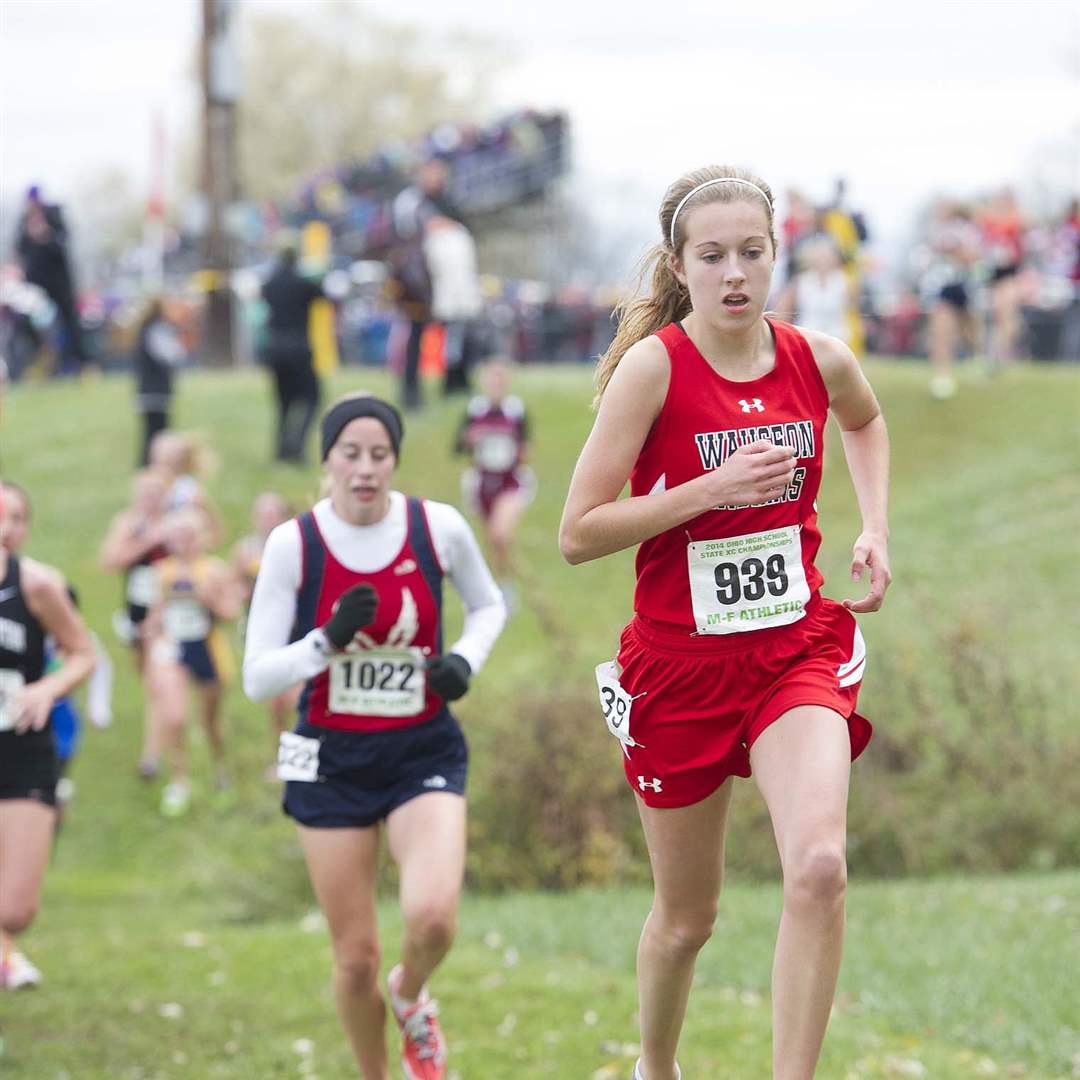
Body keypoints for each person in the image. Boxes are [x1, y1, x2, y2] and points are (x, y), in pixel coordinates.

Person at [559, 166, 891, 1080]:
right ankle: (654, 1066)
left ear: (777, 254)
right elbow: (577, 534)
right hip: (680, 670)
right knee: (685, 920)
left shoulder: (817, 358)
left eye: (753, 252)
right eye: (713, 256)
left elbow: (864, 424)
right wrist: (710, 491)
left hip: (794, 650)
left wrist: (874, 526)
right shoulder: (653, 370)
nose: (735, 273)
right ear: (680, 264)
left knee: (820, 865)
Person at [243, 393, 506, 1080]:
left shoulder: (437, 528)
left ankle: (412, 994)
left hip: (421, 747)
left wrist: (464, 661)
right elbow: (256, 677)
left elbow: (488, 606)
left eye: (379, 454)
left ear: (395, 459)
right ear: (327, 459)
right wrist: (323, 642)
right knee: (354, 956)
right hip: (329, 758)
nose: (365, 468)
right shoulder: (293, 544)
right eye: (350, 454)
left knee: (433, 919)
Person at [0, 481, 96, 989]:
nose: (6, 526)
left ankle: (8, 949)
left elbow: (83, 651)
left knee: (15, 911)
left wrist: (46, 689)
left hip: (23, 751)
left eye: (16, 517)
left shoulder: (36, 584)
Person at [144, 507, 242, 817]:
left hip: (207, 648)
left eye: (189, 535)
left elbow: (231, 612)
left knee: (210, 720)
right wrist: (151, 631)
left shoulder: (214, 569)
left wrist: (209, 598)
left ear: (200, 538)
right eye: (177, 536)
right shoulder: (162, 571)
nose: (183, 542)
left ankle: (219, 769)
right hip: (173, 650)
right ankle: (179, 781)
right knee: (174, 717)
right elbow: (155, 614)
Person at [99, 467, 172, 778]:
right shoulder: (128, 523)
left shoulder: (176, 523)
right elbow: (110, 561)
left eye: (158, 493)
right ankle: (166, 719)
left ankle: (151, 757)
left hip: (165, 616)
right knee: (146, 677)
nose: (152, 499)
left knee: (156, 682)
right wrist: (144, 541)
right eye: (147, 493)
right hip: (134, 613)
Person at [454, 359, 535, 608]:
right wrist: (471, 440)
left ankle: (506, 592)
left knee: (500, 534)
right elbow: (458, 447)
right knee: (491, 540)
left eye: (501, 378)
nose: (496, 384)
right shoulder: (475, 410)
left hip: (510, 482)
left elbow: (526, 446)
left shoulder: (516, 411)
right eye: (492, 378)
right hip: (482, 484)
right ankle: (499, 586)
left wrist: (518, 451)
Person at [231, 491, 298, 776]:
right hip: (263, 632)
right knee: (275, 703)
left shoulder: (295, 545)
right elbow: (233, 587)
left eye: (273, 514)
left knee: (298, 698)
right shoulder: (246, 550)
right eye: (262, 515)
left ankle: (299, 757)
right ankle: (281, 757)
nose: (267, 520)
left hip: (295, 630)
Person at [260, 243, 327, 463]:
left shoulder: (270, 283)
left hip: (276, 347)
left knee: (283, 401)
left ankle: (280, 449)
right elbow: (323, 295)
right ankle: (296, 445)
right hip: (298, 346)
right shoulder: (302, 284)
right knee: (312, 397)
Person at [13, 186, 88, 374]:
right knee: (30, 322)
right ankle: (40, 362)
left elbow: (63, 243)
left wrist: (46, 235)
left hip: (59, 282)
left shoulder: (53, 215)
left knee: (70, 322)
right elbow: (20, 250)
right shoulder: (24, 221)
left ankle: (76, 362)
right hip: (37, 284)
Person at [133, 296, 186, 466]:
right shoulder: (158, 329)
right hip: (157, 390)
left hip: (146, 390)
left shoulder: (145, 329)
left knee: (150, 432)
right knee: (159, 433)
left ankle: (149, 465)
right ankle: (156, 465)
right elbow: (171, 355)